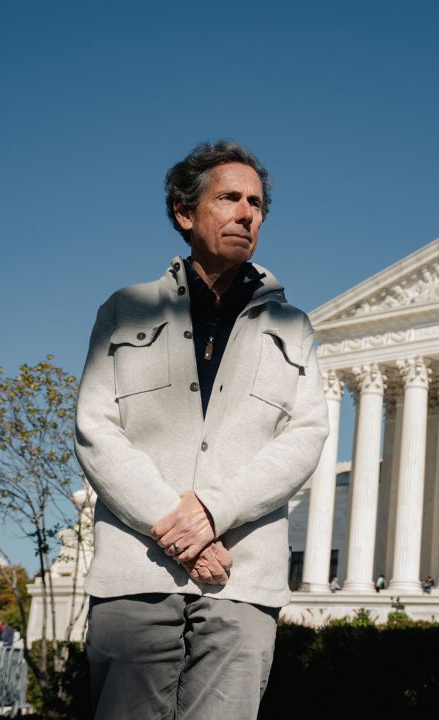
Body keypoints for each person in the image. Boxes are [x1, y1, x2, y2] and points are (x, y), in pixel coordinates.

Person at [76, 140, 328, 719]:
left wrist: (212, 512)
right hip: (136, 574)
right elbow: (96, 428)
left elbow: (305, 437)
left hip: (241, 580)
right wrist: (175, 526)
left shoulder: (292, 327)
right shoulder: (125, 308)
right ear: (185, 213)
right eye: (230, 198)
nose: (247, 213)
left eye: (257, 204)